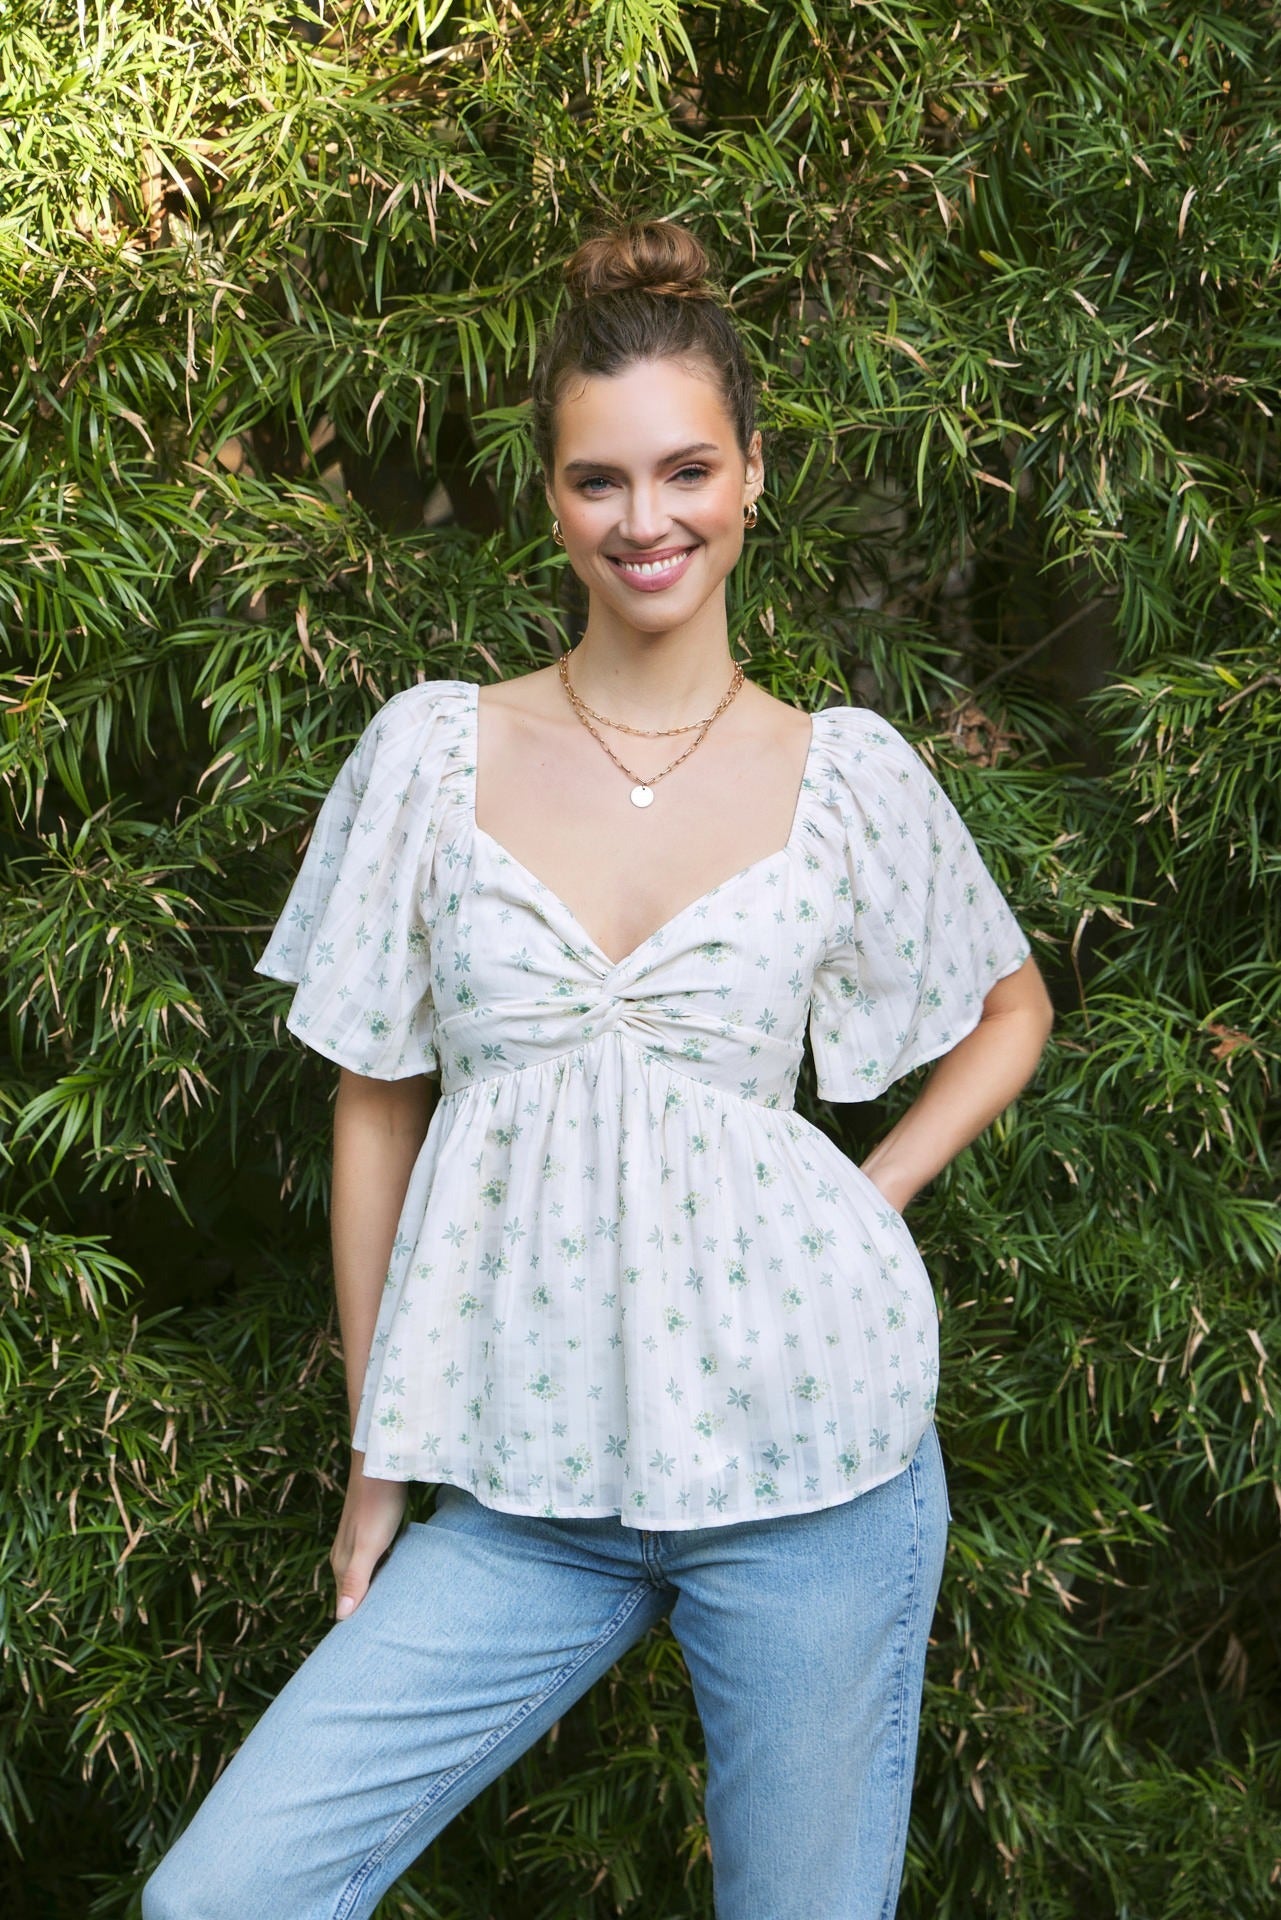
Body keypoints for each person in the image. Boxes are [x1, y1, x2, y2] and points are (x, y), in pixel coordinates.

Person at [143, 218, 1053, 1920]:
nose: (648, 519)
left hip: (810, 1475)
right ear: (550, 497)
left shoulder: (842, 773)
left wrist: (868, 1193)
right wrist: (375, 1465)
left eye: (686, 468)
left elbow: (1012, 1008)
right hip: (527, 1486)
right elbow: (372, 1103)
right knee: (225, 1897)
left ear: (751, 476)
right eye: (599, 479)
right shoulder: (432, 753)